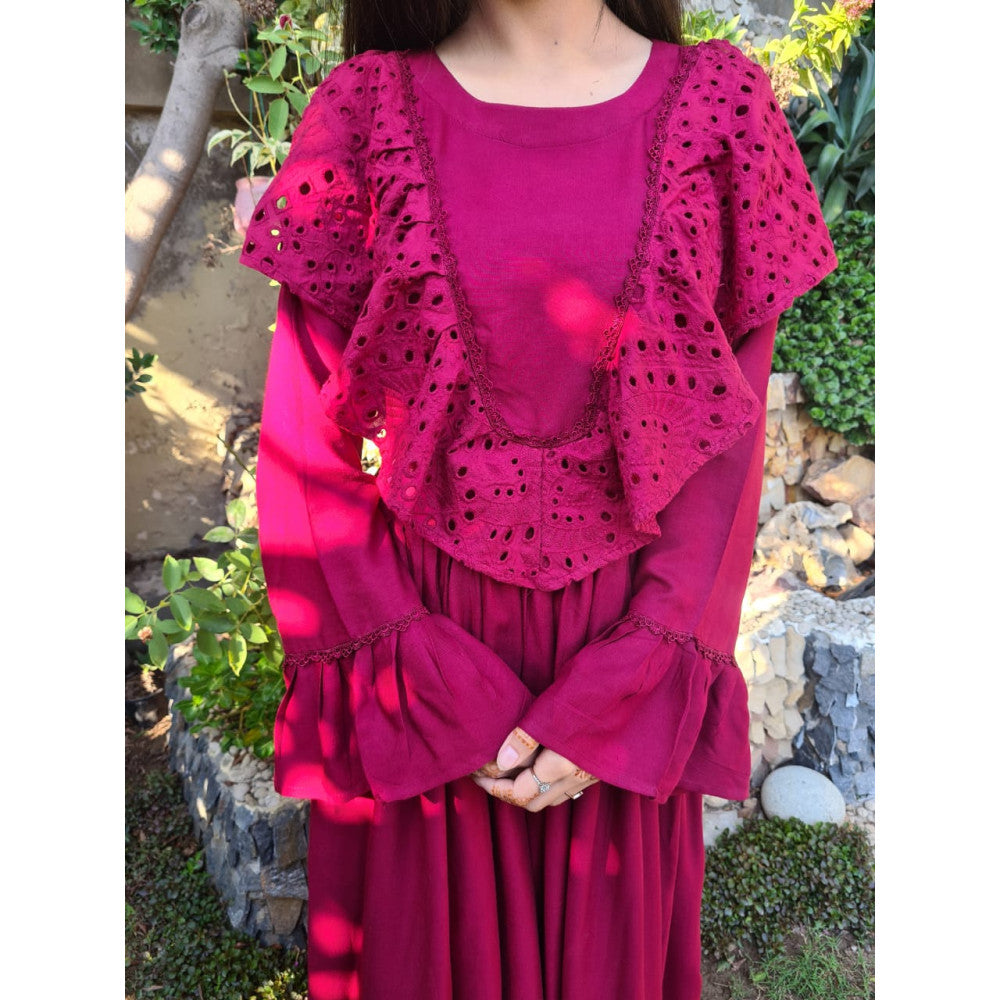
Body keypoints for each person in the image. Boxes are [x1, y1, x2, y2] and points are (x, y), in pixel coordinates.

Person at [239, 1, 837, 997]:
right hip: (421, 668)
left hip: (621, 651)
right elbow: (306, 438)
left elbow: (726, 435)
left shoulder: (720, 104)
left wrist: (635, 680)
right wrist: (416, 675)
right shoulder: (366, 107)